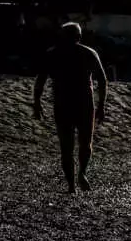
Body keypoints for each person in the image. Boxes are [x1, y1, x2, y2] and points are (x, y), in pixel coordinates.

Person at [33, 22, 108, 193]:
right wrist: (102, 104)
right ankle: (81, 173)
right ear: (79, 37)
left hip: (63, 104)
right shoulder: (88, 53)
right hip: (84, 104)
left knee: (66, 147)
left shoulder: (52, 54)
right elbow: (102, 81)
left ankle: (71, 185)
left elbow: (41, 81)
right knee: (85, 143)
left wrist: (37, 103)